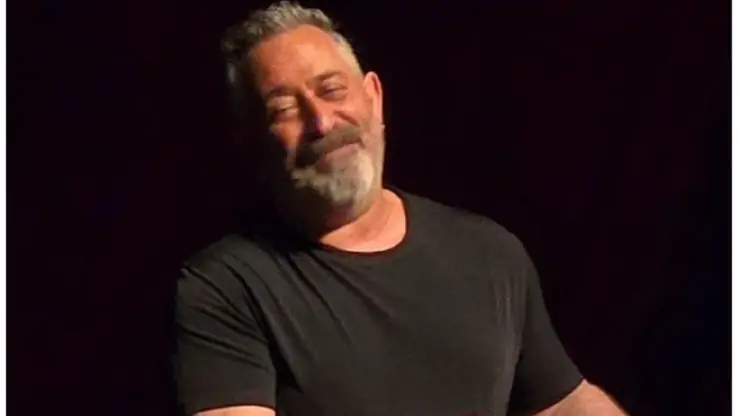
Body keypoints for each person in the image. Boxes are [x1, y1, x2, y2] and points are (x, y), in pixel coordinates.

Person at [173, 2, 628, 415]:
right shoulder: (225, 287)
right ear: (253, 142)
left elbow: (561, 404)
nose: (322, 122)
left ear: (374, 97)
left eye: (332, 90)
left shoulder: (489, 252)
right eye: (285, 110)